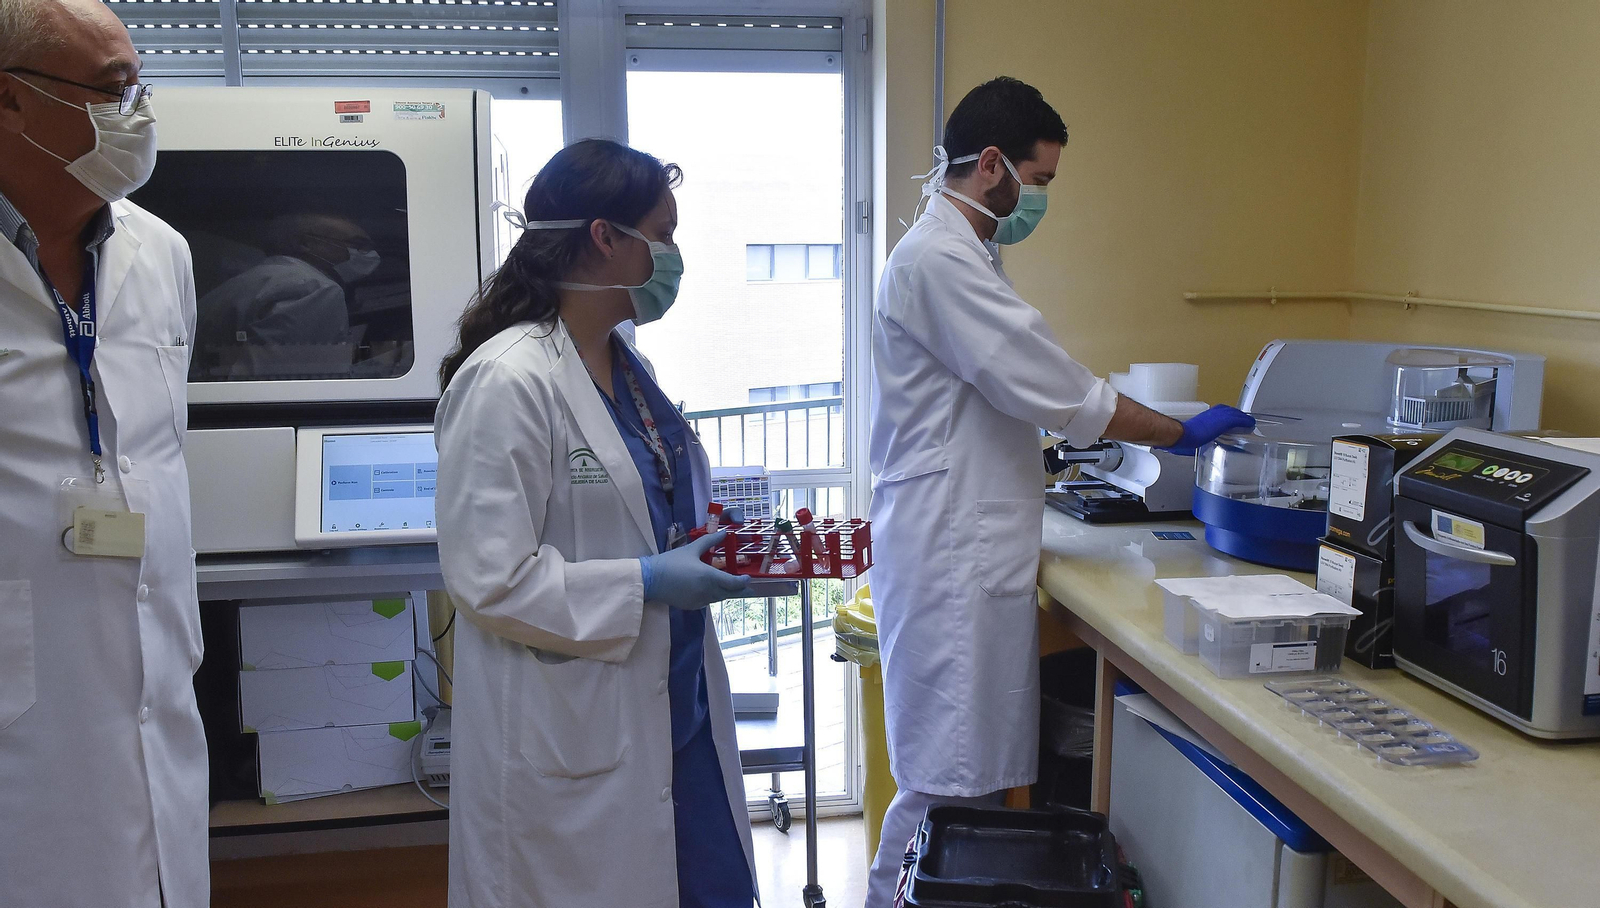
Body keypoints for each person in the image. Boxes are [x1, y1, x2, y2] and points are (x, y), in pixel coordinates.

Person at [864, 77, 1254, 905]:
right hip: (948, 553)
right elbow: (1061, 391)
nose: (1037, 200)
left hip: (958, 542)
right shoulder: (940, 261)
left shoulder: (957, 253)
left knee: (956, 780)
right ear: (993, 165)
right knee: (941, 783)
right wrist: (1180, 432)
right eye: (1037, 182)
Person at [435, 138, 759, 908]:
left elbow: (647, 501)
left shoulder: (624, 365)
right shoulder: (509, 380)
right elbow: (490, 580)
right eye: (664, 234)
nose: (673, 256)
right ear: (606, 238)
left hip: (676, 709)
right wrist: (646, 581)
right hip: (573, 727)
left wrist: (713, 549)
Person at [0, 2, 209, 907]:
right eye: (113, 89)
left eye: (140, 85)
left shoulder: (161, 255)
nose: (140, 113)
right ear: (11, 103)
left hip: (160, 697)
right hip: (25, 736)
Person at [193, 213, 373, 379]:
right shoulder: (315, 289)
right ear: (305, 243)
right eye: (357, 245)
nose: (371, 255)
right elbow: (283, 382)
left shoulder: (249, 281)